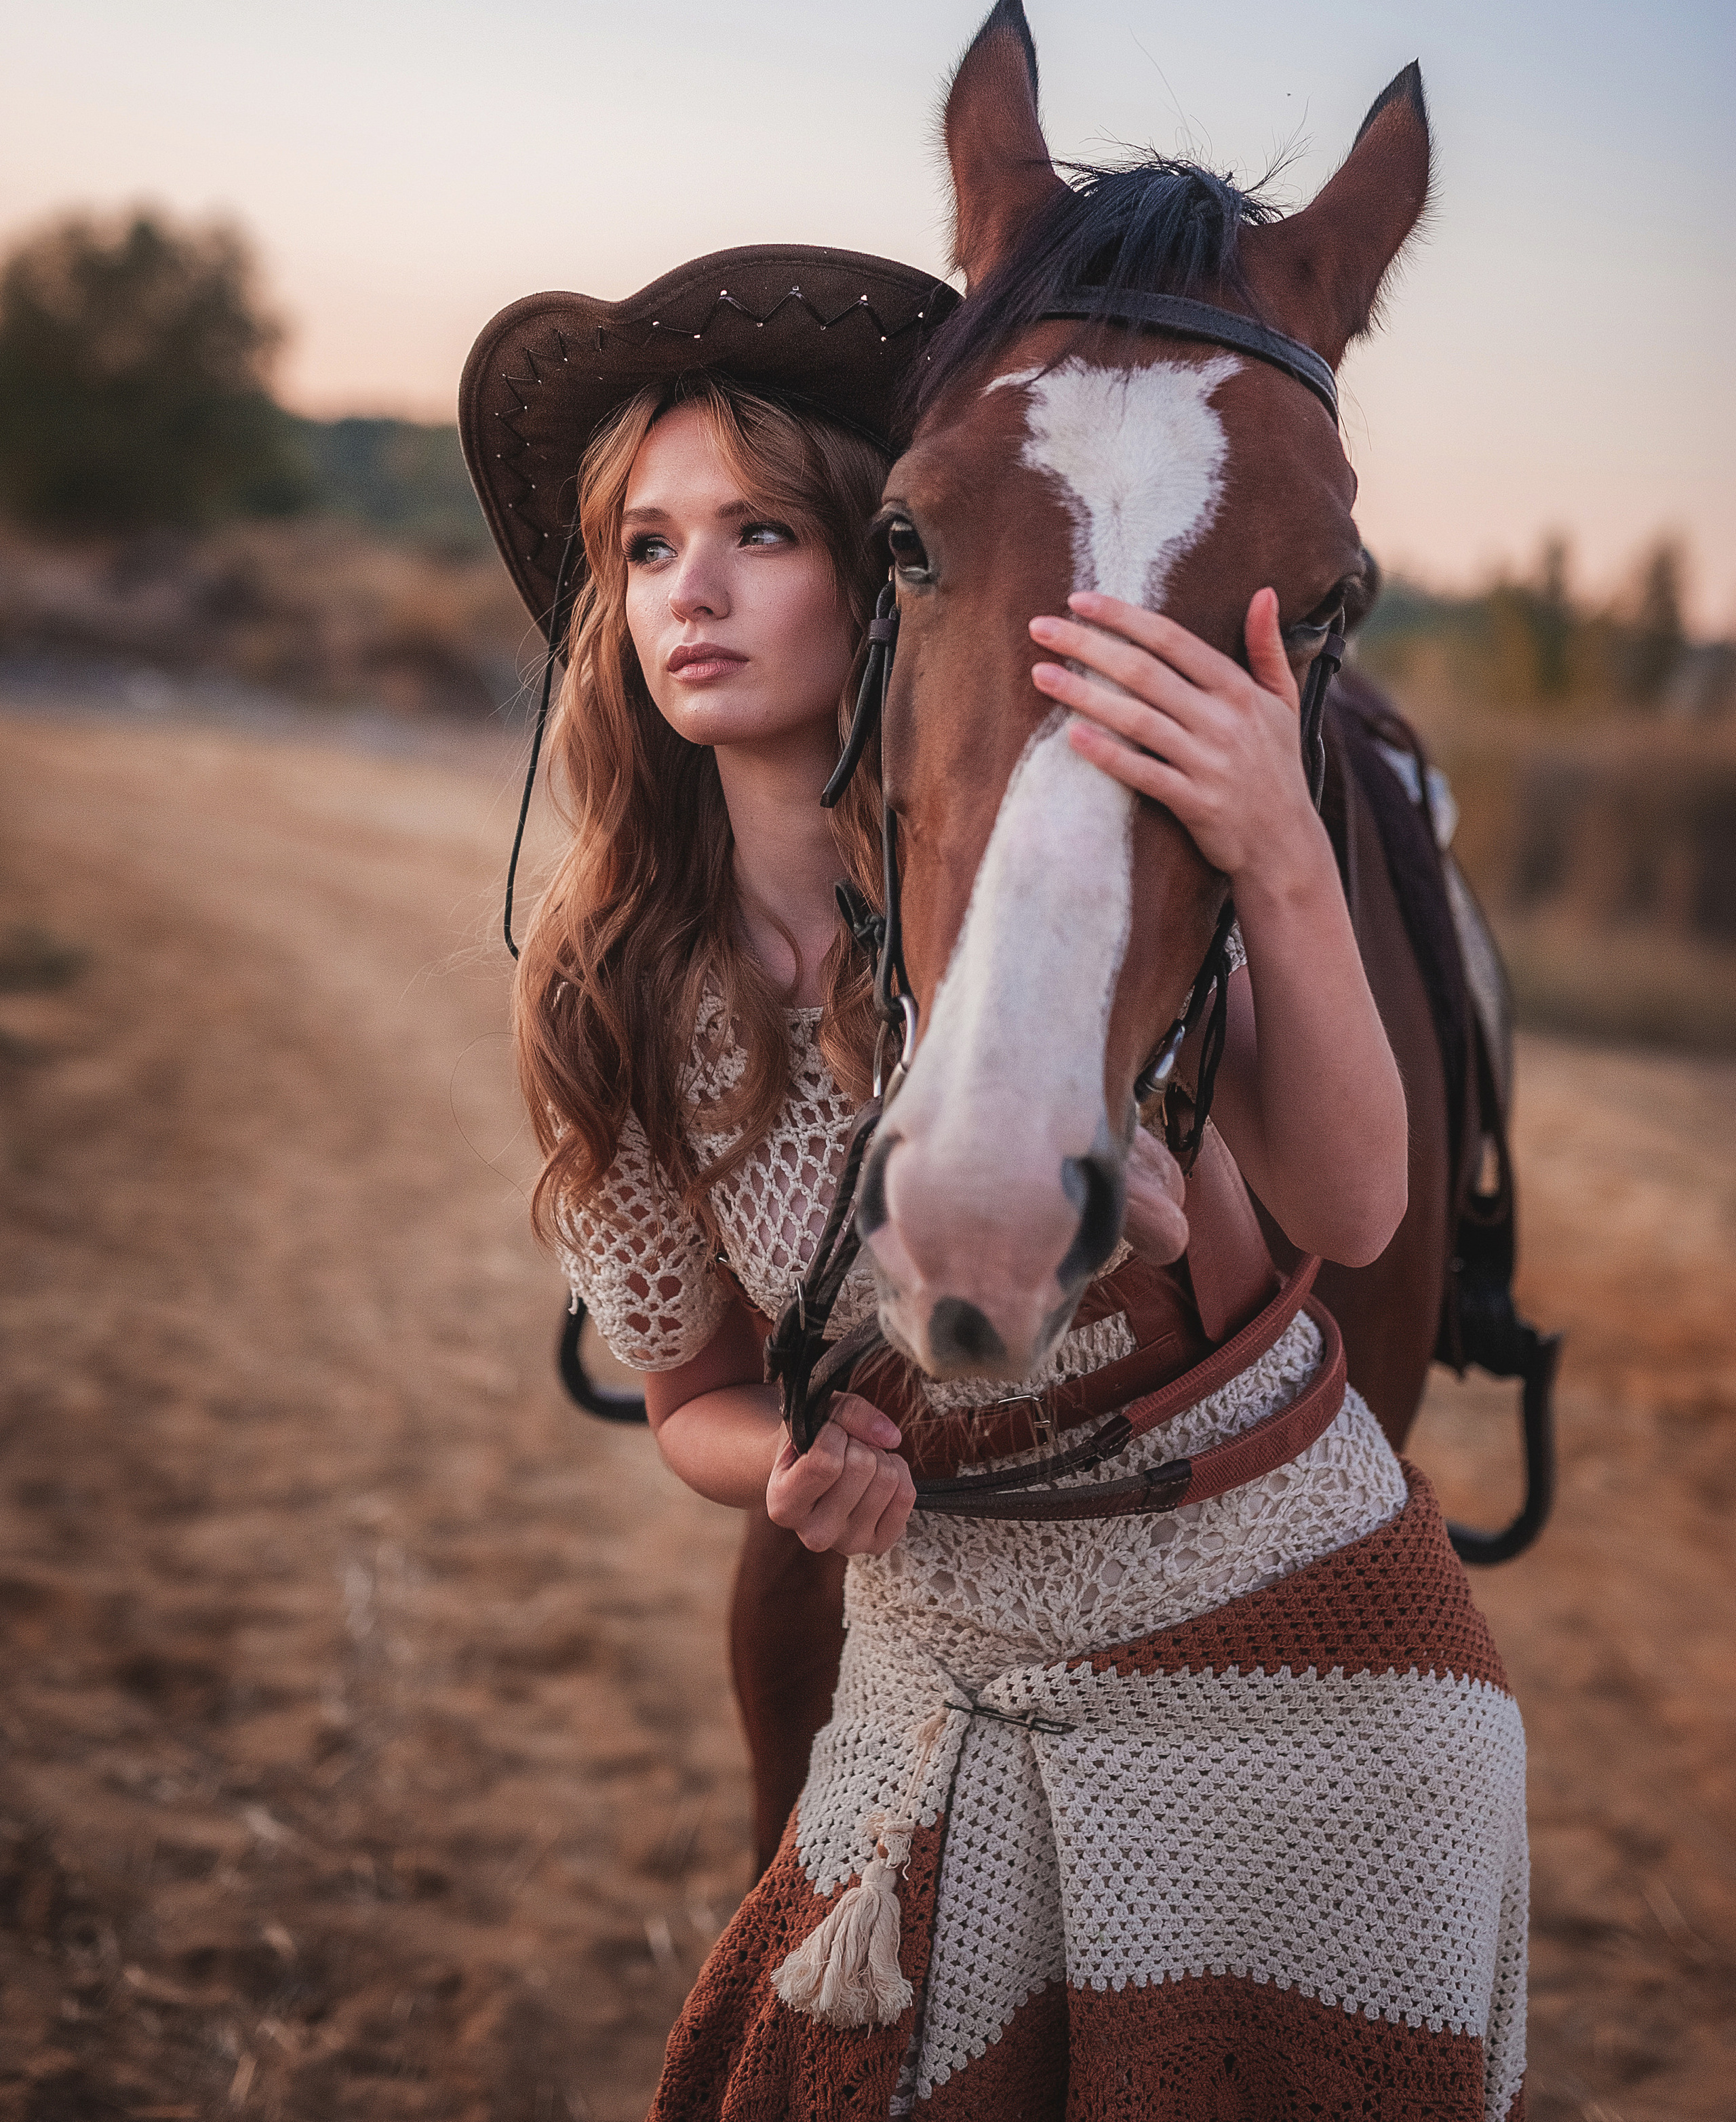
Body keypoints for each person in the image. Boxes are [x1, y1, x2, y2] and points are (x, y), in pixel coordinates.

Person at [459, 243, 1527, 2122]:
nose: (689, 591)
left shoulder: (1065, 873)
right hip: (943, 1621)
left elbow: (1351, 1220)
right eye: (643, 544)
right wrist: (783, 1469)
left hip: (1263, 1607)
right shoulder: (617, 983)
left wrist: (1277, 848)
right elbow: (691, 1402)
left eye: (762, 536)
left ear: (884, 573)